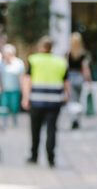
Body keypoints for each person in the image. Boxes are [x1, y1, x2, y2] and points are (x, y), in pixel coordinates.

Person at [22, 36, 69, 167]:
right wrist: (67, 95)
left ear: (40, 47)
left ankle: (34, 156)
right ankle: (51, 158)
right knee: (52, 130)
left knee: (35, 129)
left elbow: (27, 80)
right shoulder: (60, 62)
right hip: (55, 101)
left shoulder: (33, 60)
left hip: (36, 100)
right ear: (51, 48)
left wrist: (25, 97)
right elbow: (66, 81)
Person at [66, 32, 92, 129]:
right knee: (78, 100)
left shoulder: (68, 54)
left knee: (73, 100)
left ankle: (74, 119)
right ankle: (77, 120)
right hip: (79, 77)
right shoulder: (83, 54)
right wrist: (89, 80)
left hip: (71, 77)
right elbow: (85, 68)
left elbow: (66, 68)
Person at [0, 43, 26, 127]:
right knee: (4, 106)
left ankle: (14, 121)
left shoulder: (18, 63)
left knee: (14, 106)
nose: (6, 55)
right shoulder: (1, 63)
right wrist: (0, 85)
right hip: (5, 89)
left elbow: (22, 76)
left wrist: (23, 89)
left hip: (15, 89)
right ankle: (4, 123)